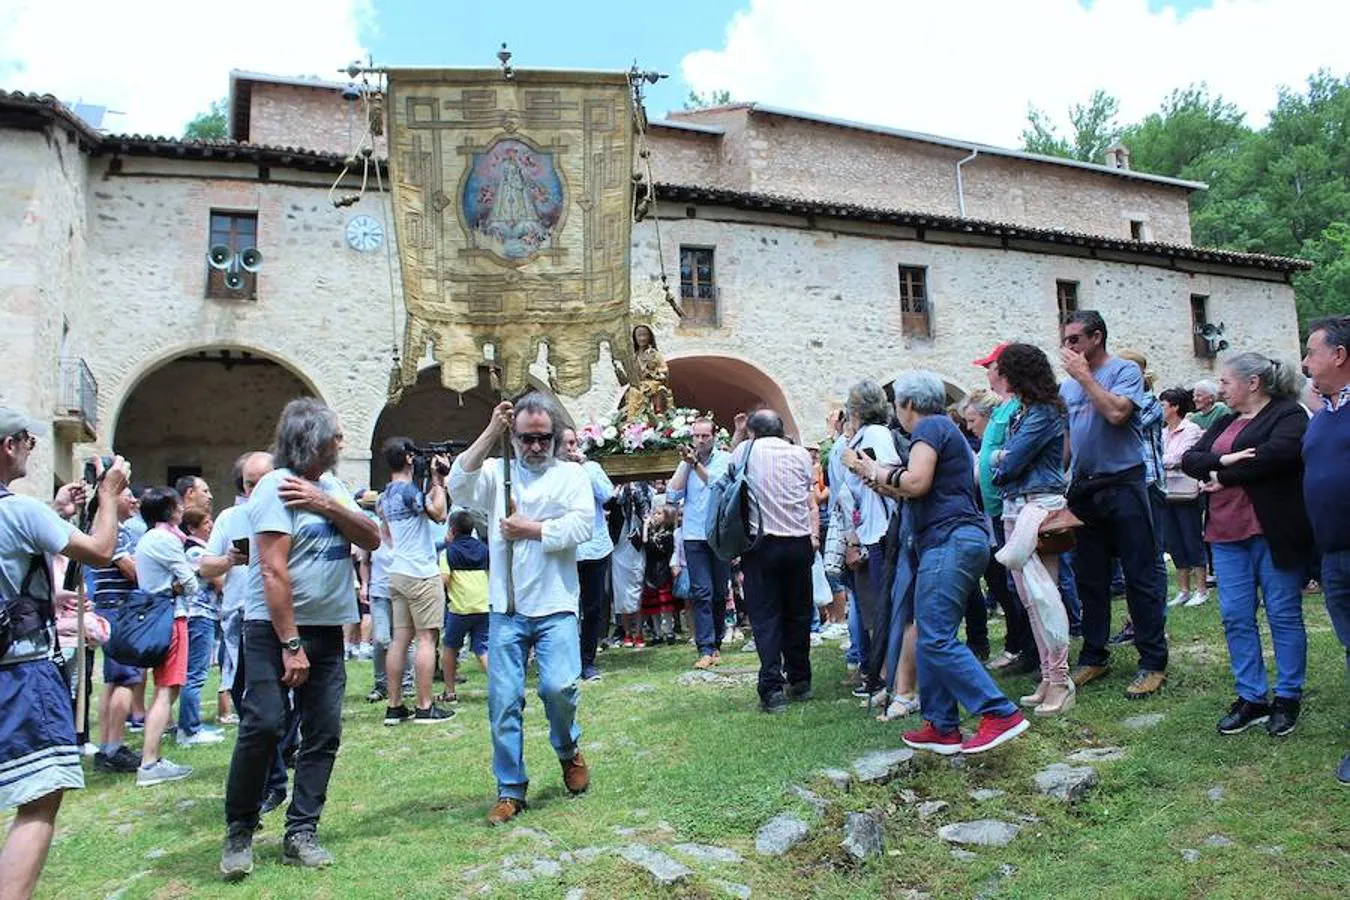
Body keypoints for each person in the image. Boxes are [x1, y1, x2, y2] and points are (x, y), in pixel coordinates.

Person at [220, 399, 380, 879]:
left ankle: (301, 831)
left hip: (328, 629)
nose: (341, 443)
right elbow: (270, 569)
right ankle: (240, 830)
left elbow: (371, 537)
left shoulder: (329, 487)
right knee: (264, 725)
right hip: (272, 631)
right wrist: (290, 644)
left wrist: (328, 505)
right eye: (335, 435)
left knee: (324, 732)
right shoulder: (273, 487)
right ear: (311, 440)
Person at [851, 374, 1029, 754]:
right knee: (934, 632)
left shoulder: (930, 427)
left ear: (909, 405)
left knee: (934, 635)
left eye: (897, 404)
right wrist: (882, 483)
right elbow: (920, 488)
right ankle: (941, 725)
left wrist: (874, 471)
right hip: (954, 538)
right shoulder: (945, 430)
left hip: (949, 540)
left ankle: (999, 713)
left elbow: (916, 482)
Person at [448, 393, 594, 827]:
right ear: (513, 438)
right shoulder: (497, 473)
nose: (535, 447)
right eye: (526, 439)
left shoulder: (571, 476)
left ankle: (568, 749)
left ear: (554, 437)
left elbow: (582, 525)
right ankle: (510, 788)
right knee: (504, 701)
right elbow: (458, 483)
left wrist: (529, 529)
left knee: (558, 689)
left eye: (543, 439)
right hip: (506, 609)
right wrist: (491, 429)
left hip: (556, 605)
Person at [0, 410, 127, 900]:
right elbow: (99, 550)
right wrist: (109, 496)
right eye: (28, 441)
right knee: (37, 798)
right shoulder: (21, 512)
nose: (32, 449)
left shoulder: (33, 514)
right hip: (20, 672)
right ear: (10, 444)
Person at [1182, 353, 1312, 738]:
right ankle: (1252, 697)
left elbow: (1278, 456)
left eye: (1225, 382)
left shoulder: (1288, 414)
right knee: (1236, 616)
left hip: (1270, 531)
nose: (1220, 389)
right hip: (1225, 533)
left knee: (1283, 614)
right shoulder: (1224, 419)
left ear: (1252, 382)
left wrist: (1226, 474)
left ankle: (1288, 697)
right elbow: (1191, 459)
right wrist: (1225, 458)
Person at [1059, 310, 1168, 699]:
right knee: (1090, 577)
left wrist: (1085, 378)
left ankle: (1152, 661)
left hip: (1124, 483)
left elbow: (1118, 414)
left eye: (1074, 339)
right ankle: (1094, 655)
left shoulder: (1124, 372)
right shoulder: (1068, 387)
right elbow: (1070, 436)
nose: (1068, 347)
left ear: (1096, 337)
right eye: (1065, 340)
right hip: (1085, 489)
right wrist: (1061, 478)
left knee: (1140, 576)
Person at [989, 343, 1074, 716]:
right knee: (1029, 599)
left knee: (1044, 597)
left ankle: (1061, 681)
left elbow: (1010, 462)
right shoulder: (1023, 412)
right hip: (1017, 506)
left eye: (1001, 369)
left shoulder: (1043, 412)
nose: (996, 376)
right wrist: (1001, 460)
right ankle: (1047, 674)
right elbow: (1005, 460)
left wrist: (998, 460)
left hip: (1038, 508)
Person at [729, 410, 819, 713]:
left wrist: (739, 433)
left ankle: (772, 687)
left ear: (754, 432)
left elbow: (730, 472)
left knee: (766, 617)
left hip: (762, 543)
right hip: (799, 541)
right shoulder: (800, 454)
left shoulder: (746, 449)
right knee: (798, 613)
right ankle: (801, 678)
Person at [1300, 315, 1350, 784]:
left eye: (1311, 352)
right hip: (1333, 552)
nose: (1305, 362)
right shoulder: (1325, 414)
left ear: (1339, 354)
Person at [971, 344, 1038, 677]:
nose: (987, 372)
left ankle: (1030, 650)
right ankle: (1022, 647)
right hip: (997, 508)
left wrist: (995, 462)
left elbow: (1011, 453)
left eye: (991, 366)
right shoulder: (1001, 410)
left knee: (1023, 582)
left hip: (1011, 505)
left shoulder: (1013, 409)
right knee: (1011, 584)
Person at [378, 437, 452, 725]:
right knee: (426, 638)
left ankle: (395, 706)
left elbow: (385, 532)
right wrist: (439, 481)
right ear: (409, 458)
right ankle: (424, 705)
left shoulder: (384, 496)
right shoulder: (409, 492)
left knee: (400, 639)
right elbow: (440, 514)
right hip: (421, 572)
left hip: (397, 571)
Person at [133, 486, 199, 786]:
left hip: (160, 615)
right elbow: (190, 583)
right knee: (166, 689)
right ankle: (149, 762)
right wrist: (182, 582)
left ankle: (153, 757)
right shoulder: (166, 541)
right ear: (170, 510)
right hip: (172, 617)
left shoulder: (150, 538)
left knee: (166, 689)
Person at [841, 381, 901, 699]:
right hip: (869, 531)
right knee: (873, 606)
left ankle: (889, 677)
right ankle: (883, 674)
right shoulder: (863, 436)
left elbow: (886, 474)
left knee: (882, 607)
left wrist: (857, 466)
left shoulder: (876, 435)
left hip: (881, 531)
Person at [85, 485, 144, 774]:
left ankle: (105, 746)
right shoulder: (115, 531)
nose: (133, 499)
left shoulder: (101, 526)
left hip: (107, 607)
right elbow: (131, 570)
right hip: (119, 608)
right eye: (127, 493)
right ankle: (115, 747)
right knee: (126, 679)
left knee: (113, 680)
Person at [666, 417, 732, 669]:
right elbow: (672, 494)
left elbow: (716, 485)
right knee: (701, 592)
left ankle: (716, 641)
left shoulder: (724, 460)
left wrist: (696, 466)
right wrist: (686, 465)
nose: (701, 441)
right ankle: (705, 646)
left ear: (714, 437)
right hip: (693, 535)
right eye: (697, 436)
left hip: (718, 533)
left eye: (705, 436)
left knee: (718, 592)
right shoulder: (687, 464)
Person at [561, 427, 614, 681]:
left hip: (593, 548)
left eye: (573, 442)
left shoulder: (591, 468)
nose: (570, 448)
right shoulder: (552, 472)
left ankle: (588, 660)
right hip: (565, 550)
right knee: (566, 608)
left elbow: (607, 496)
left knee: (593, 608)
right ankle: (567, 660)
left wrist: (584, 466)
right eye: (565, 444)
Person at [177, 507, 225, 746]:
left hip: (201, 616)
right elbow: (220, 583)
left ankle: (190, 725)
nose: (211, 525)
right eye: (206, 522)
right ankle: (189, 730)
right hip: (200, 615)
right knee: (195, 674)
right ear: (192, 527)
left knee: (195, 673)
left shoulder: (199, 550)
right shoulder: (197, 552)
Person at [1159, 387, 1208, 608]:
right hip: (1167, 492)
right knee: (1174, 541)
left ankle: (1201, 588)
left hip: (1187, 493)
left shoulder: (1191, 429)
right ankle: (1183, 589)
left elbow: (1183, 456)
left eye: (1163, 405)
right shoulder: (1161, 432)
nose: (1160, 409)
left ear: (1175, 407)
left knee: (1191, 538)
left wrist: (1162, 461)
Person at [439, 510, 489, 703]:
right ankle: (500, 688)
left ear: (452, 531)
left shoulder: (448, 553)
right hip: (483, 606)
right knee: (483, 649)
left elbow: (444, 579)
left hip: (459, 609)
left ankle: (450, 692)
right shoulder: (484, 549)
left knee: (450, 648)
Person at [609, 482, 651, 649]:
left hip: (636, 547)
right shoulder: (615, 494)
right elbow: (607, 505)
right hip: (619, 548)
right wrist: (617, 492)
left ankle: (639, 632)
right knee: (622, 593)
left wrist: (634, 493)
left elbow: (645, 511)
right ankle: (627, 633)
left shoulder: (642, 491)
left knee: (638, 591)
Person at [615, 324, 673, 422]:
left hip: (652, 384)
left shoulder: (654, 355)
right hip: (638, 385)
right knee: (634, 391)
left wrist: (653, 374)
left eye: (645, 335)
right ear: (635, 338)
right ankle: (631, 421)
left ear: (650, 337)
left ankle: (652, 417)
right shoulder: (633, 357)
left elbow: (664, 371)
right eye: (639, 336)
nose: (642, 338)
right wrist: (618, 372)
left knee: (644, 390)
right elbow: (626, 380)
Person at [640, 505, 678, 643]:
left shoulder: (668, 535)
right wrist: (646, 527)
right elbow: (644, 544)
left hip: (663, 572)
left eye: (659, 513)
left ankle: (669, 631)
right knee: (653, 606)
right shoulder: (653, 533)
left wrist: (646, 529)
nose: (655, 516)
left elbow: (652, 547)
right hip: (651, 572)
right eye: (654, 513)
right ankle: (657, 632)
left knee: (665, 605)